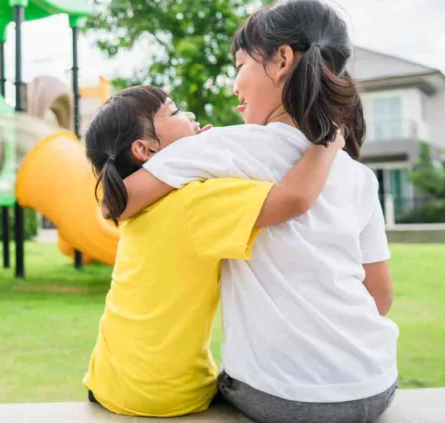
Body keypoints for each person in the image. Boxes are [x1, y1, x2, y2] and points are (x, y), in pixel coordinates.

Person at [118, 0, 398, 423]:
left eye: (239, 66)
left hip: (284, 397)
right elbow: (380, 299)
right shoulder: (358, 175)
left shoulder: (221, 147)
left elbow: (120, 202)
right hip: (375, 385)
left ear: (282, 59)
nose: (234, 85)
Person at [81, 84, 345, 417]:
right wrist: (328, 143)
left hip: (107, 381)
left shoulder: (138, 206)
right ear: (145, 149)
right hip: (168, 395)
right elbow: (294, 199)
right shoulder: (196, 202)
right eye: (175, 112)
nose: (189, 114)